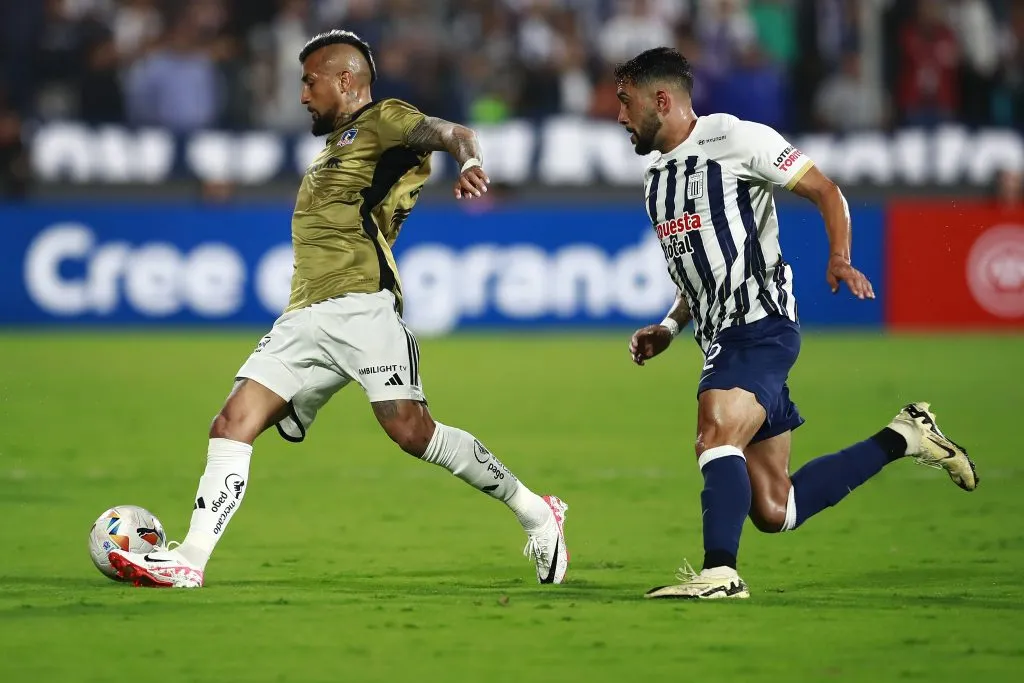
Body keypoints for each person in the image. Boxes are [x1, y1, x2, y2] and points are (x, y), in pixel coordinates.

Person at [107, 30, 569, 588]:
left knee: (412, 432)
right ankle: (191, 561)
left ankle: (538, 513)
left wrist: (469, 162)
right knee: (231, 423)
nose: (302, 95)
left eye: (309, 82)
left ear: (345, 81)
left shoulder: (383, 119)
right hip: (302, 317)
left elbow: (455, 132)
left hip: (360, 309)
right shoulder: (333, 150)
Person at [616, 47, 977, 599]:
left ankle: (720, 572)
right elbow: (697, 270)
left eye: (626, 102)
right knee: (774, 507)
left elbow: (825, 190)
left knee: (715, 428)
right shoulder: (655, 181)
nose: (619, 115)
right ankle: (905, 436)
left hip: (761, 323)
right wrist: (669, 325)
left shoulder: (736, 140)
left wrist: (839, 258)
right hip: (719, 334)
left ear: (661, 101)